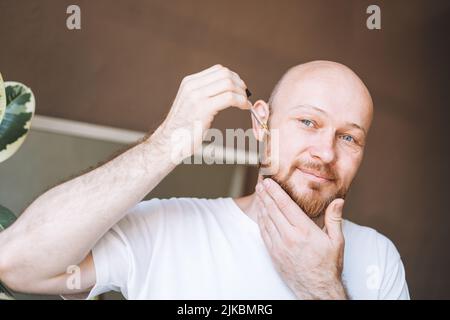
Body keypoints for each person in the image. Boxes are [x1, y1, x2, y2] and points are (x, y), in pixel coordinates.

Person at [0, 61, 409, 299]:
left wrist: (323, 287)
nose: (326, 152)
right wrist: (167, 142)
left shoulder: (377, 257)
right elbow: (17, 263)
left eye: (349, 137)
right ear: (261, 123)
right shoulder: (167, 229)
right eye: (307, 121)